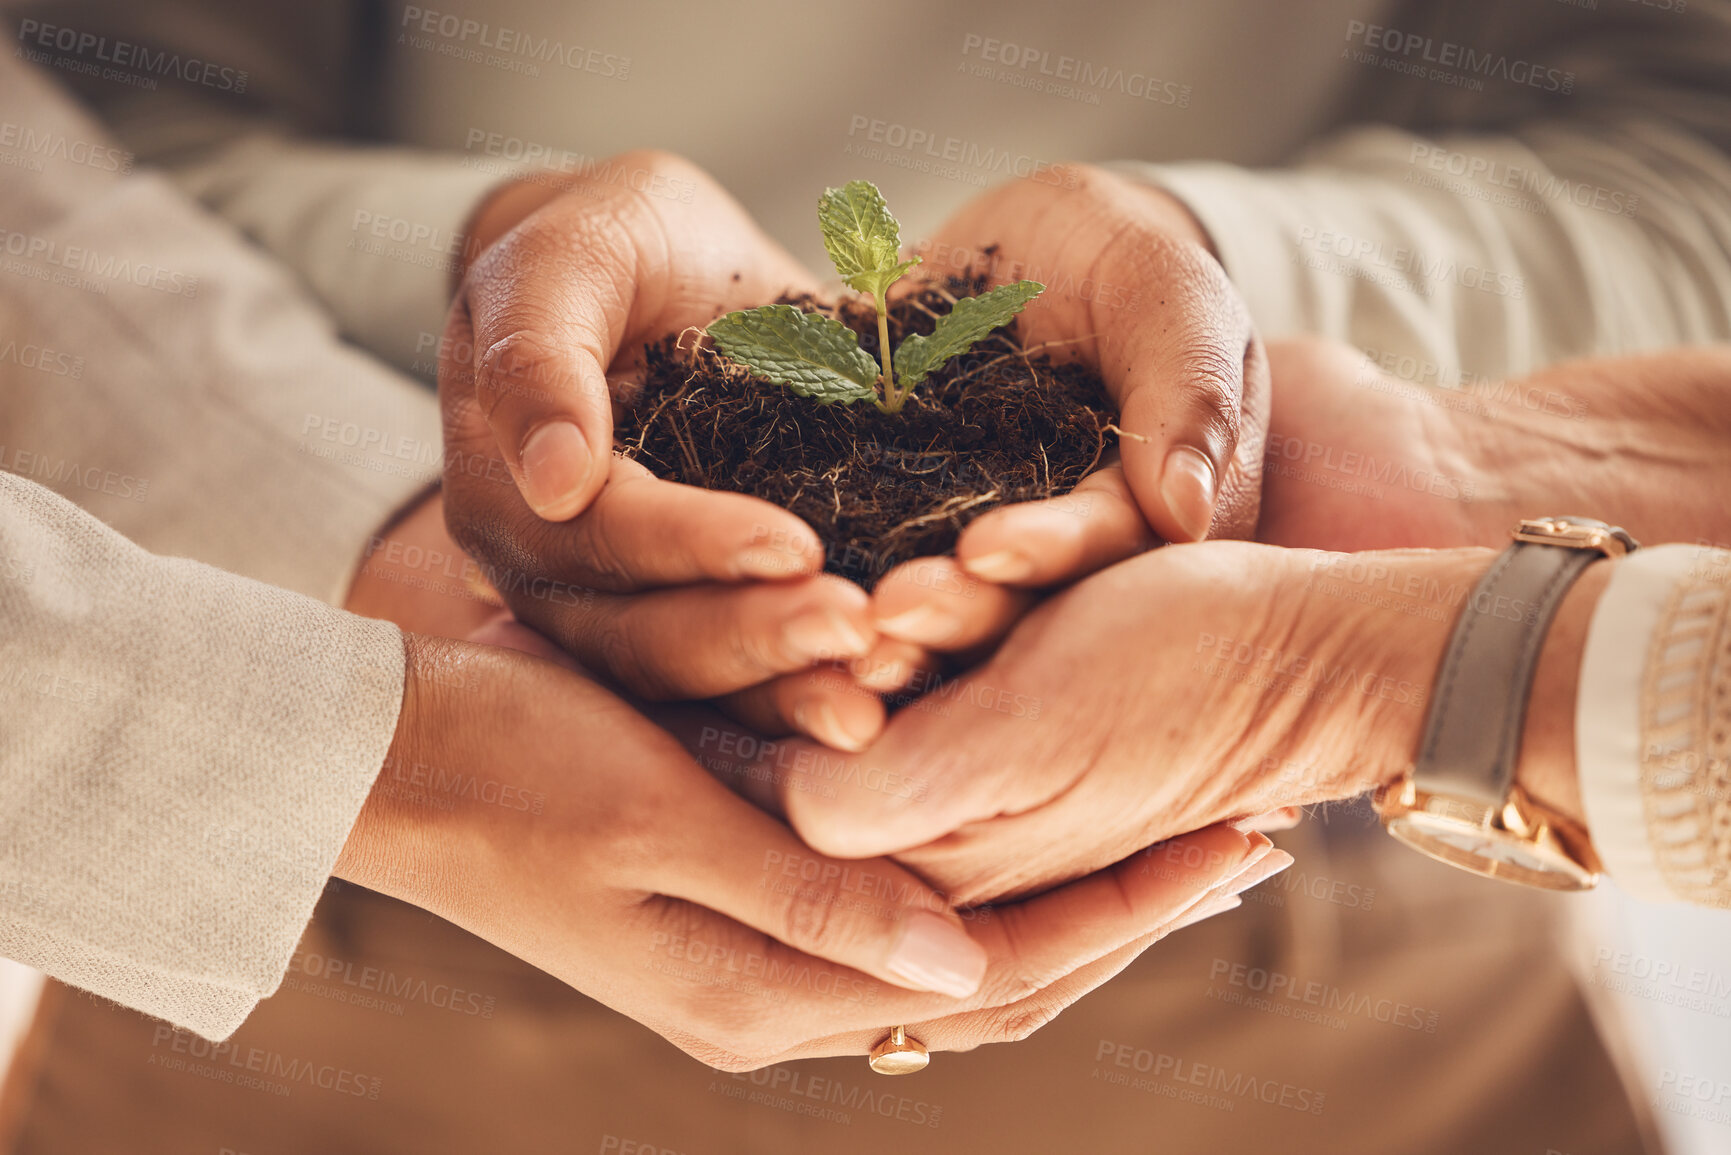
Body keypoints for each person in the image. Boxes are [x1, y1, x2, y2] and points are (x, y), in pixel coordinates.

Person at [11, 0, 1731, 1151]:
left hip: (1345, 930)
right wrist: (469, 364)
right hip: (328, 940)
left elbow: (1690, 140)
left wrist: (1222, 316)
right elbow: (78, 120)